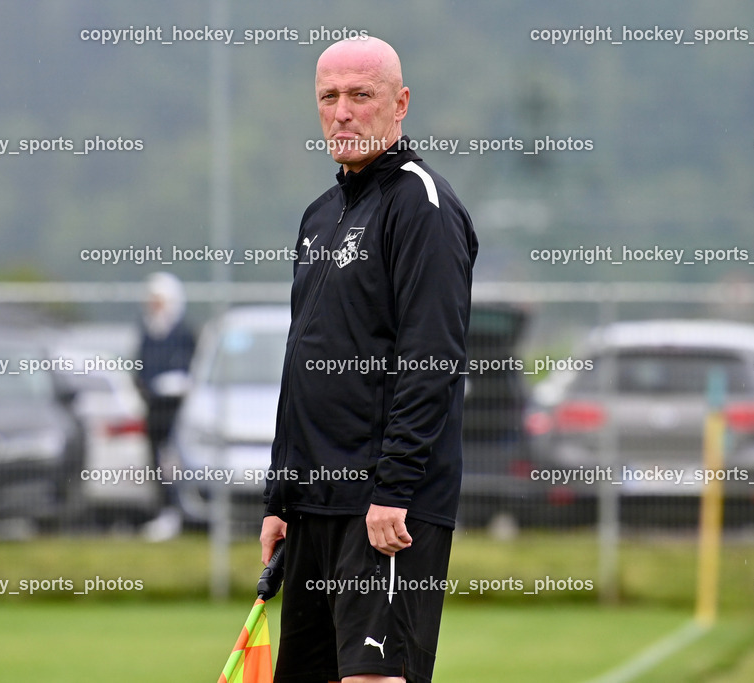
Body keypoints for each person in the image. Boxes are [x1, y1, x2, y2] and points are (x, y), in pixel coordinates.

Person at [261, 37, 478, 683]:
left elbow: (431, 356)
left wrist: (394, 488)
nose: (343, 112)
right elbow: (302, 361)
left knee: (374, 677)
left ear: (400, 103)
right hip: (314, 503)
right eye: (329, 97)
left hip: (385, 506)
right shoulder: (320, 215)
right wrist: (281, 495)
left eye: (361, 95)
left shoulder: (421, 205)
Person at [136, 272, 196, 541]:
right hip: (154, 410)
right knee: (156, 462)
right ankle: (164, 511)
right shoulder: (148, 333)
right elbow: (140, 369)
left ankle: (179, 512)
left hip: (176, 411)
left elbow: (192, 368)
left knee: (175, 462)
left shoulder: (184, 333)